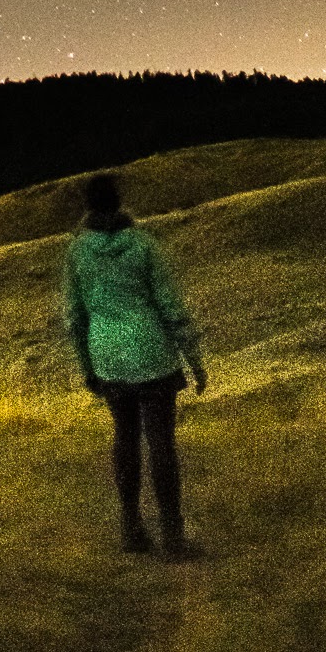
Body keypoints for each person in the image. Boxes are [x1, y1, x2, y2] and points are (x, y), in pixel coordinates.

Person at [63, 171, 207, 556]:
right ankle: (173, 537)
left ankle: (131, 528)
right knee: (161, 442)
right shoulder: (144, 245)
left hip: (107, 356)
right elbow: (171, 306)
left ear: (89, 206)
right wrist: (194, 360)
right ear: (119, 201)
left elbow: (75, 317)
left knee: (125, 438)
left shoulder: (77, 252)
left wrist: (87, 366)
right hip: (152, 353)